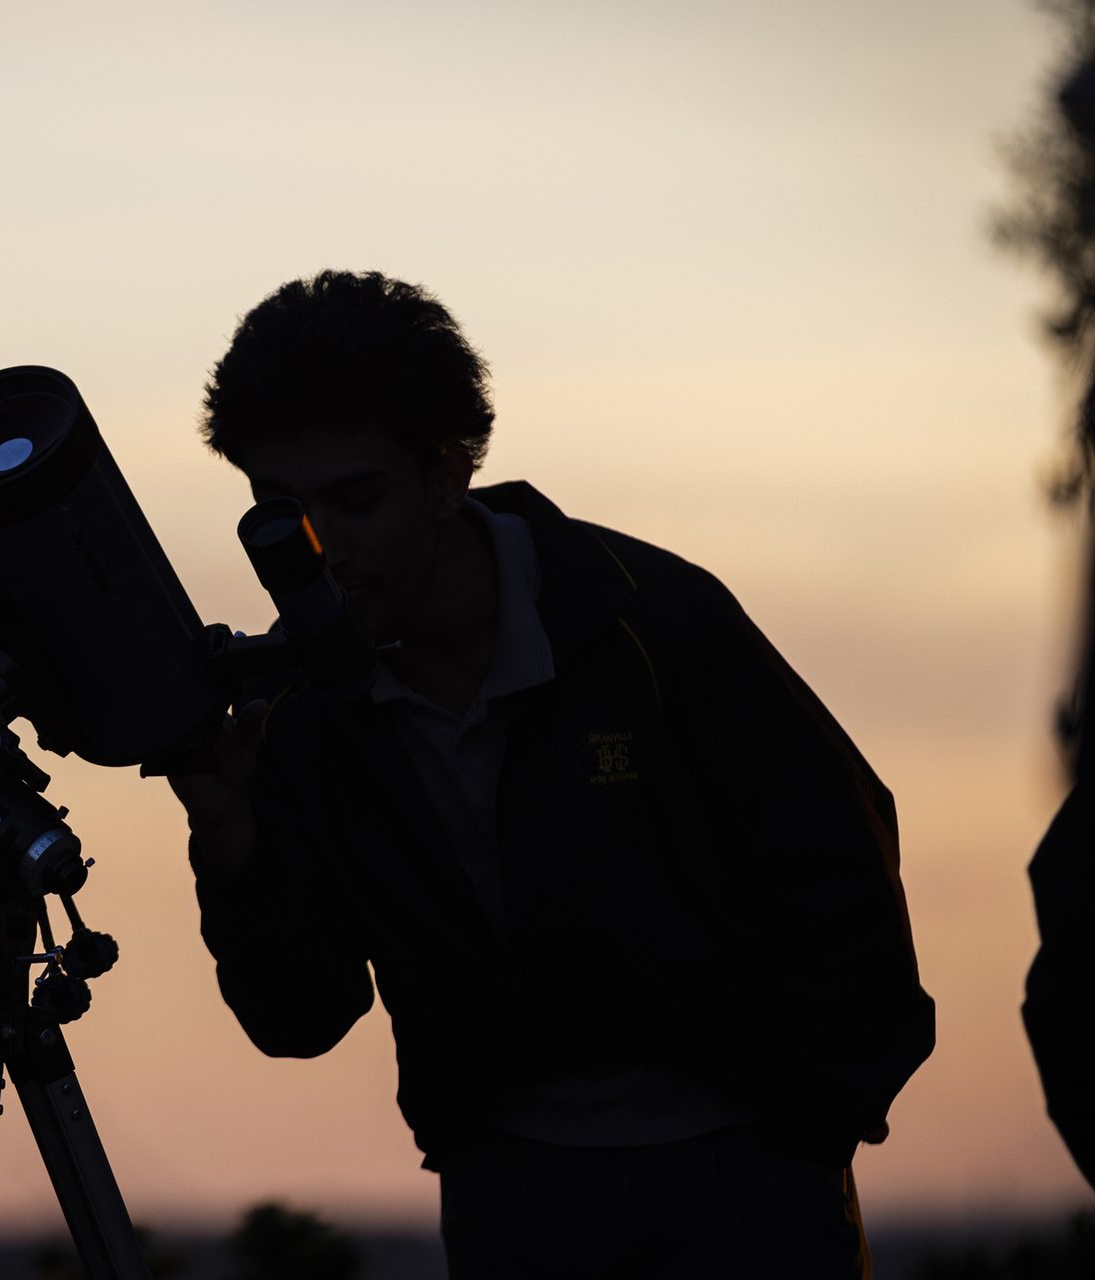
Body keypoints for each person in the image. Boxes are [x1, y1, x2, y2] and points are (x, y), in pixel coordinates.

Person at [170, 271, 936, 1278]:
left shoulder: (649, 624)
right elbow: (301, 1016)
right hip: (513, 1198)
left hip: (746, 1178)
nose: (325, 550)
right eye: (283, 514)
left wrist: (810, 1128)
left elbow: (838, 863)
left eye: (355, 500)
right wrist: (232, 853)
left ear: (447, 473)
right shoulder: (311, 712)